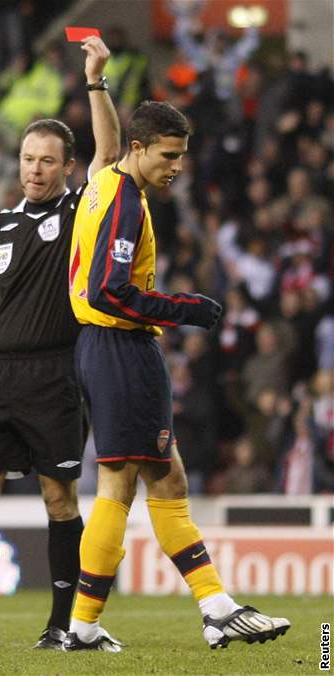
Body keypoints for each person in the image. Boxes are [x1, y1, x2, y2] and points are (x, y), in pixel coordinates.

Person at [66, 100, 290, 650]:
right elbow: (108, 290)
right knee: (121, 484)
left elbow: (107, 141)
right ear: (138, 150)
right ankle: (89, 626)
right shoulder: (124, 201)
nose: (178, 166)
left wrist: (98, 82)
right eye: (169, 155)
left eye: (183, 156)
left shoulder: (102, 181)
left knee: (165, 480)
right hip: (122, 348)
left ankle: (212, 608)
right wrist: (185, 309)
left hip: (101, 347)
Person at [0, 36, 120, 651]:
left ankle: (63, 624)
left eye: (46, 160)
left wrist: (95, 81)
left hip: (55, 374)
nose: (34, 169)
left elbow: (110, 152)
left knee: (58, 496)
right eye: (27, 158)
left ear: (68, 167)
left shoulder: (81, 212)